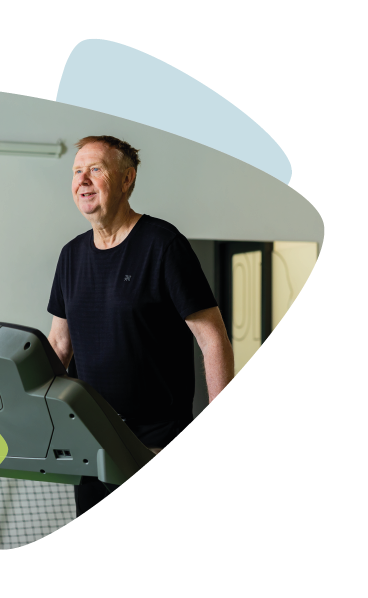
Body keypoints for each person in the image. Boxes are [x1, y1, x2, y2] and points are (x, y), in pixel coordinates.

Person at [47, 135, 234, 517]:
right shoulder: (71, 256)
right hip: (91, 445)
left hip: (156, 448)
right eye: (77, 171)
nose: (82, 180)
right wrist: (34, 417)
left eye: (95, 169)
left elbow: (212, 339)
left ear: (126, 178)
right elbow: (58, 347)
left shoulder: (163, 245)